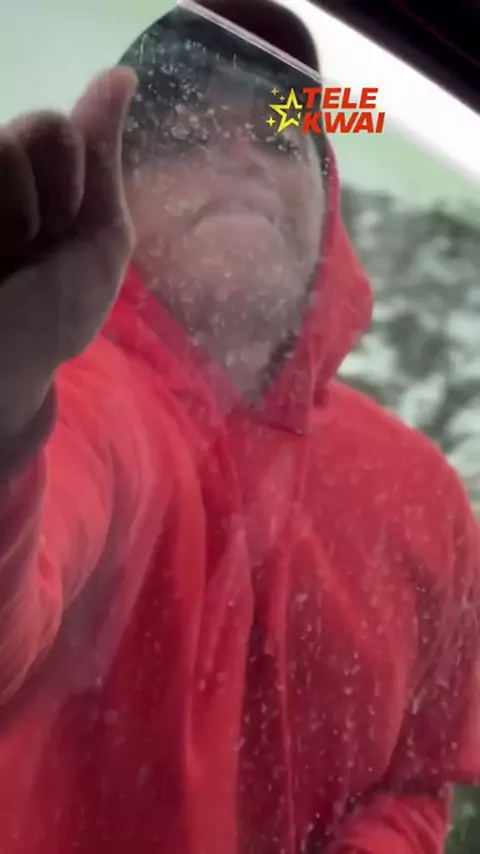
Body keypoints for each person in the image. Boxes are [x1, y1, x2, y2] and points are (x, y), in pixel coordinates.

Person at [0, 1, 478, 852]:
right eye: (180, 138)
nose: (237, 156)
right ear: (112, 205)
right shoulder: (76, 397)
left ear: (326, 201)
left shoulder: (424, 490)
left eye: (277, 137)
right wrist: (6, 405)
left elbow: (418, 776)